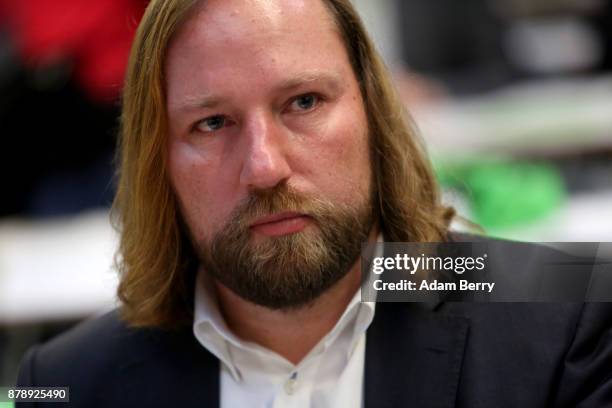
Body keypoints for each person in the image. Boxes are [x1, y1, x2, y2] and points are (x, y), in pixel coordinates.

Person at [16, 0, 612, 407]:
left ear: (373, 114)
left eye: (303, 102)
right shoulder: (64, 385)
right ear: (158, 162)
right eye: (213, 122)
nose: (264, 167)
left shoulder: (570, 312)